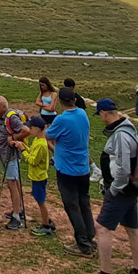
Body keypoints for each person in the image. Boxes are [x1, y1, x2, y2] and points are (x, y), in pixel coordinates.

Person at [94, 99, 138, 274]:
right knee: (132, 228)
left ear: (104, 113)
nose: (101, 118)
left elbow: (123, 168)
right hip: (131, 189)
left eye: (100, 115)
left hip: (122, 190)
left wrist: (114, 189)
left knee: (101, 228)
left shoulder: (120, 135)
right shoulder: (128, 127)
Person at [46, 88, 96, 257]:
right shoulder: (82, 114)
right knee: (84, 204)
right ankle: (90, 238)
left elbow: (48, 134)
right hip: (83, 168)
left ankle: (82, 244)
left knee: (72, 206)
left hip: (66, 169)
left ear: (60, 101)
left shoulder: (61, 119)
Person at [0, 95, 28, 231]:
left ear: (3, 106)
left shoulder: (11, 117)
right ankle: (19, 209)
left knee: (12, 183)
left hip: (11, 156)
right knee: (14, 181)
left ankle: (16, 217)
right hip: (4, 155)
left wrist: (13, 138)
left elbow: (26, 131)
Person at [23, 115, 55, 236]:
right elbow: (31, 151)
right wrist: (23, 146)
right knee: (39, 199)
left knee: (40, 201)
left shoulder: (42, 144)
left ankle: (46, 225)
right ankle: (47, 220)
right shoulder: (37, 140)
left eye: (30, 128)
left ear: (37, 129)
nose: (29, 130)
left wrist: (22, 151)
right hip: (36, 176)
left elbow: (33, 160)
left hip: (39, 177)